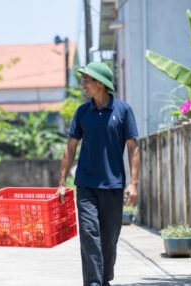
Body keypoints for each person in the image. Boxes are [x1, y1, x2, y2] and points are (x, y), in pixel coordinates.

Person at [56, 62, 140, 286]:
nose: (83, 84)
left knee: (109, 239)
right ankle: (93, 282)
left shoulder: (123, 110)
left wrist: (133, 183)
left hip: (113, 185)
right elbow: (71, 146)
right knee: (89, 233)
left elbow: (133, 147)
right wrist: (62, 181)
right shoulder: (82, 112)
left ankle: (103, 279)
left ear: (101, 83)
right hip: (86, 185)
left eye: (88, 80)